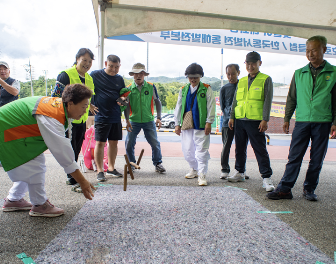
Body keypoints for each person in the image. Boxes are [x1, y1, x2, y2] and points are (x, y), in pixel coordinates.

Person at [1, 84, 95, 217]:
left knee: (27, 163)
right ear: (70, 103)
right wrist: (83, 181)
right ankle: (40, 205)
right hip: (6, 131)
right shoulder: (52, 116)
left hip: (12, 131)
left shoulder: (58, 108)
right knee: (35, 165)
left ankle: (14, 199)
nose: (86, 111)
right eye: (84, 107)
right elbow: (63, 153)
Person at [267, 36, 336, 201]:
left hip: (323, 121)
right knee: (294, 156)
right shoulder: (299, 73)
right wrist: (286, 118)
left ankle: (309, 189)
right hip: (302, 121)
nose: (310, 54)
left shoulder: (333, 73)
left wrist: (335, 122)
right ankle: (285, 188)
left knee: (316, 158)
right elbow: (291, 98)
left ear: (324, 50)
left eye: (314, 50)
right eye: (307, 51)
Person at [228, 51, 275, 192]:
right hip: (240, 119)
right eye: (248, 63)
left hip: (256, 121)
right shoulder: (241, 80)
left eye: (253, 63)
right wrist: (231, 116)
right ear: (245, 64)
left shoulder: (266, 79)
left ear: (259, 63)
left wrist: (265, 119)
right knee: (239, 148)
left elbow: (268, 100)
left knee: (260, 149)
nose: (250, 66)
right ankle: (240, 172)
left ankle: (266, 178)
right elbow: (235, 100)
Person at [52, 48, 97, 190]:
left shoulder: (89, 78)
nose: (87, 64)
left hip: (81, 120)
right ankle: (72, 177)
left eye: (90, 61)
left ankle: (72, 175)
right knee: (68, 148)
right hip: (68, 120)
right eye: (84, 60)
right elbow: (56, 97)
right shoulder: (65, 75)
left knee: (77, 148)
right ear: (77, 59)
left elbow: (88, 98)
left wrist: (90, 110)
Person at [174, 63, 216, 186]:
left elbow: (211, 106)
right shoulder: (183, 89)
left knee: (202, 150)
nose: (193, 79)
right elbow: (178, 107)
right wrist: (177, 124)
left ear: (200, 77)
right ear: (187, 77)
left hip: (201, 124)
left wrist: (209, 122)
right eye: (190, 77)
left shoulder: (207, 88)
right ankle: (194, 168)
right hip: (187, 124)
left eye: (196, 77)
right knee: (187, 150)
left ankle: (202, 174)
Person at [90, 55, 126, 182]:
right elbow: (85, 88)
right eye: (111, 66)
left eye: (116, 67)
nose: (113, 70)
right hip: (101, 114)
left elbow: (123, 96)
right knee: (100, 143)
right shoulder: (95, 75)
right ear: (106, 63)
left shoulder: (119, 79)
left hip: (115, 115)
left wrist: (122, 101)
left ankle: (111, 168)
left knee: (114, 142)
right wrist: (89, 104)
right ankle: (100, 170)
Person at [125, 63, 166, 173]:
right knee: (129, 142)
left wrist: (158, 117)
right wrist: (127, 120)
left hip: (149, 120)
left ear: (144, 74)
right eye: (136, 74)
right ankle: (132, 164)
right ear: (132, 75)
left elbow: (157, 101)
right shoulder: (128, 89)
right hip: (133, 120)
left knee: (155, 143)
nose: (138, 76)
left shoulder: (151, 86)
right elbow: (125, 105)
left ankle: (158, 163)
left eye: (141, 73)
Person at [219, 64, 240, 180]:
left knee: (241, 147)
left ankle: (240, 170)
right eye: (228, 74)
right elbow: (223, 106)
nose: (230, 76)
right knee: (226, 146)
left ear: (238, 73)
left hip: (242, 121)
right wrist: (228, 115)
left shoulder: (243, 86)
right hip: (227, 122)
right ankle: (224, 169)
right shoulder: (224, 88)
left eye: (233, 73)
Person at [0, 61, 20, 167]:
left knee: (11, 137)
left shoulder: (14, 81)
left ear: (9, 71)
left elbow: (15, 92)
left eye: (4, 69)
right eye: (0, 69)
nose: (2, 71)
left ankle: (14, 158)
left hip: (11, 116)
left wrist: (1, 82)